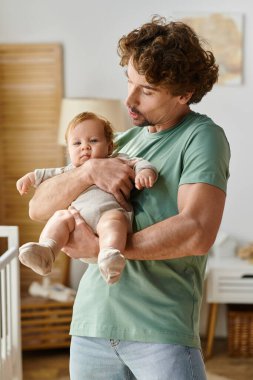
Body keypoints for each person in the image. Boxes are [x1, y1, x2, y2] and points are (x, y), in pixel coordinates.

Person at [28, 16, 230, 380]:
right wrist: (87, 172)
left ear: (183, 94)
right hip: (91, 323)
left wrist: (104, 248)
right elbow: (38, 207)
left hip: (159, 330)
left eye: (147, 91)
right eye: (129, 82)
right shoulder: (117, 143)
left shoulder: (202, 138)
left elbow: (197, 230)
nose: (129, 100)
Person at [17, 111, 157, 284]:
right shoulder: (70, 170)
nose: (85, 147)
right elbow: (46, 175)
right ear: (68, 150)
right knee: (60, 217)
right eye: (77, 143)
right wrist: (30, 178)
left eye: (93, 141)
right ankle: (47, 251)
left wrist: (145, 172)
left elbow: (138, 163)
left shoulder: (118, 160)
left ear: (109, 147)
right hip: (75, 220)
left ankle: (110, 256)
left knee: (114, 221)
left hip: (108, 212)